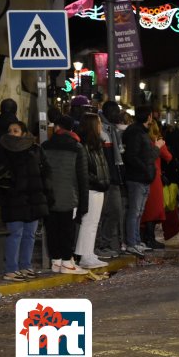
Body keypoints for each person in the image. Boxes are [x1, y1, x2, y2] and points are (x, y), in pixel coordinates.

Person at [0, 121, 52, 281]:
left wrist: (46, 192)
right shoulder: (3, 149)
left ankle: (25, 265)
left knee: (30, 234)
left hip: (34, 198)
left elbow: (45, 170)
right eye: (10, 130)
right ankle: (11, 269)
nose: (12, 133)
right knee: (15, 233)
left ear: (23, 132)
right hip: (14, 199)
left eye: (16, 130)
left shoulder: (35, 149)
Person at [42, 115, 89, 275]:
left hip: (49, 196)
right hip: (70, 196)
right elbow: (83, 178)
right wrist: (84, 205)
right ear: (71, 129)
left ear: (57, 128)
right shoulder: (77, 147)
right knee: (67, 230)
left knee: (52, 230)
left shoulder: (45, 145)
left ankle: (56, 262)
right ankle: (67, 262)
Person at [122, 106, 160, 257]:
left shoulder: (139, 132)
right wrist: (156, 149)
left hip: (143, 177)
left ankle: (136, 241)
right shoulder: (136, 133)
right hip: (137, 177)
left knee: (139, 212)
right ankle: (132, 243)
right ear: (149, 117)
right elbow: (135, 156)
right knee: (135, 211)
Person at [74, 113, 110, 268]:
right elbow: (83, 169)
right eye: (99, 123)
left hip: (98, 187)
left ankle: (89, 253)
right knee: (89, 222)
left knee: (93, 222)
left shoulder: (96, 144)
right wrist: (97, 180)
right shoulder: (84, 145)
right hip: (91, 188)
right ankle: (84, 255)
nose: (101, 126)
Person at [96, 101, 125, 258]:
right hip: (103, 179)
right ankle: (98, 246)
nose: (118, 115)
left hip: (113, 178)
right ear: (107, 112)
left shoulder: (113, 130)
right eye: (115, 112)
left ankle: (104, 244)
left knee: (115, 211)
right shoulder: (101, 130)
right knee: (100, 214)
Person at [140, 121, 172, 250]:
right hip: (155, 178)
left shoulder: (142, 141)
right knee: (154, 209)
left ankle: (143, 238)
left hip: (141, 175)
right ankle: (151, 239)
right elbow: (168, 157)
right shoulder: (157, 142)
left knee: (144, 208)